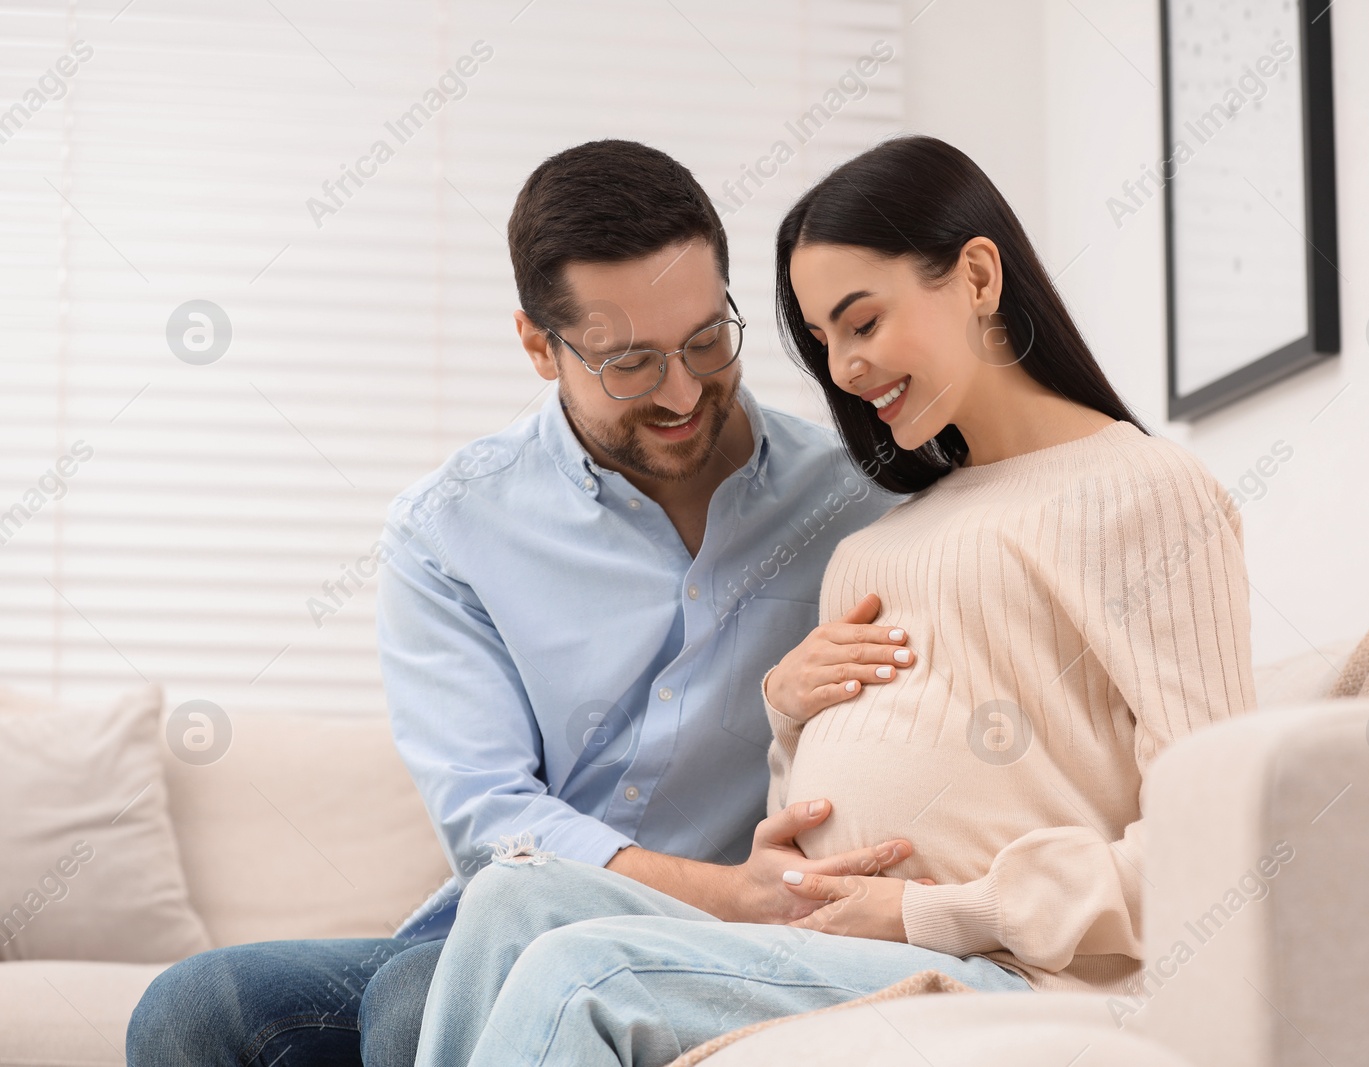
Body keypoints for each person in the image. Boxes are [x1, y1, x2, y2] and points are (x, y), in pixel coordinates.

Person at [409, 135, 1259, 1067]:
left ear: (976, 276)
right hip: (822, 939)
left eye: (862, 322)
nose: (844, 369)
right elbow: (810, 812)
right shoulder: (873, 539)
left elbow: (1214, 841)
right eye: (822, 341)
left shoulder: (1142, 492)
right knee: (507, 898)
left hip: (998, 961)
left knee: (581, 974)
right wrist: (787, 717)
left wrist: (926, 909)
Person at [125, 139, 908, 1067]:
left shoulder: (855, 502)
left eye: (705, 341)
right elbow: (493, 818)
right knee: (190, 1010)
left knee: (420, 998)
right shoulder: (449, 526)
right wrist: (732, 889)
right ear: (540, 345)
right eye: (632, 364)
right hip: (540, 902)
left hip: (715, 942)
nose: (685, 392)